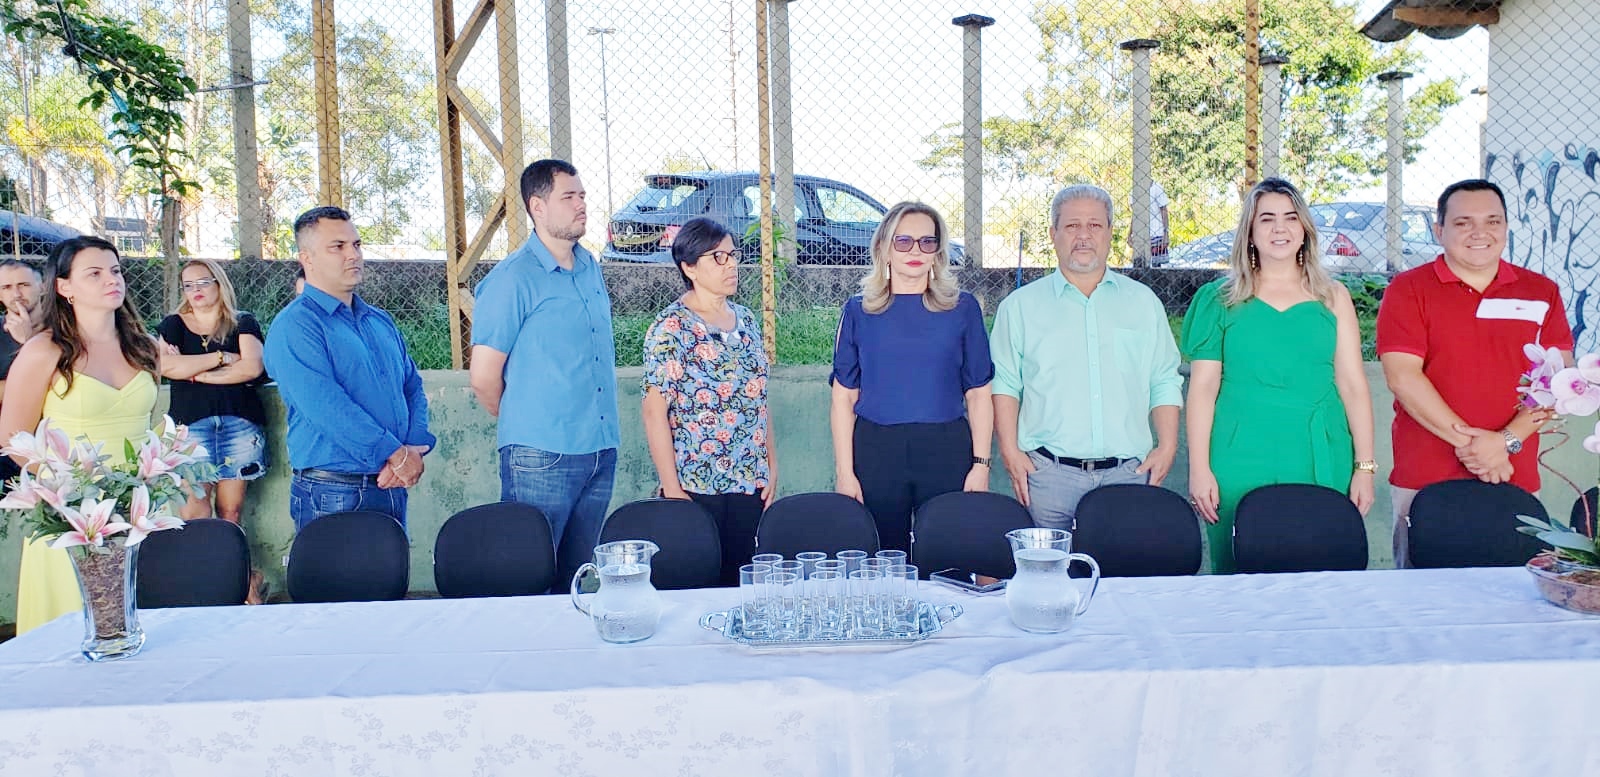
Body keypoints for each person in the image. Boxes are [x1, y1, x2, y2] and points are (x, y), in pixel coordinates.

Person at [1182, 178, 1377, 573]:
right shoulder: (1220, 299)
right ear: (1249, 233)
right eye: (1266, 218)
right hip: (1239, 453)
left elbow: (1353, 385)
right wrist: (1199, 468)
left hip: (1318, 449)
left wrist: (1365, 467)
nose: (1280, 228)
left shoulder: (1333, 297)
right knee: (1240, 564)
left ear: (1305, 228)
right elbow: (1202, 388)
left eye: (1290, 217)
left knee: (1318, 561)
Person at [1377, 179, 1570, 567]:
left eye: (1492, 221)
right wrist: (1480, 447)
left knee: (1515, 598)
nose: (1480, 232)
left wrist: (1506, 442)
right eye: (1464, 222)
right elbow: (1403, 377)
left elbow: (1558, 379)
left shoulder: (1541, 291)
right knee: (1421, 601)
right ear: (1439, 231)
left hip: (1512, 472)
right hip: (1425, 476)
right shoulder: (1408, 289)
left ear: (1505, 227)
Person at [990, 184, 1183, 529]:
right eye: (1072, 226)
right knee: (1049, 579)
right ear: (1053, 234)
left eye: (1094, 225)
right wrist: (1009, 451)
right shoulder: (1019, 307)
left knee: (1125, 581)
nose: (1083, 236)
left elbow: (1164, 377)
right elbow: (1005, 382)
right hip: (1047, 476)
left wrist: (1167, 445)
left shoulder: (1143, 303)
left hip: (1128, 474)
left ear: (1110, 233)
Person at [0, 236, 161, 634]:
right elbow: (13, 438)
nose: (112, 280)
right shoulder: (43, 351)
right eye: (95, 273)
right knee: (79, 625)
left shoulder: (143, 347)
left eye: (116, 270)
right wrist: (71, 491)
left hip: (141, 505)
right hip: (75, 512)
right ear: (64, 287)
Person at [470, 159, 617, 586]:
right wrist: (526, 418)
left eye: (583, 196)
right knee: (528, 576)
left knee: (577, 580)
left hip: (599, 449)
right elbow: (483, 376)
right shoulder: (513, 278)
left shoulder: (590, 267)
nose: (581, 205)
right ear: (537, 206)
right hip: (540, 455)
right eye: (568, 197)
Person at [830, 201, 993, 553]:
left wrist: (981, 464)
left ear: (938, 251)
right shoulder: (858, 310)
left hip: (945, 447)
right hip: (877, 450)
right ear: (884, 248)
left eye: (926, 242)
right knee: (885, 559)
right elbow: (843, 398)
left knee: (950, 555)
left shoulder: (962, 309)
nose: (915, 251)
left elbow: (979, 393)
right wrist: (845, 472)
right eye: (903, 241)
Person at [264, 206, 434, 532]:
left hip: (390, 482)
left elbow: (411, 385)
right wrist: (396, 455)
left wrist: (412, 446)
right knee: (340, 584)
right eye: (337, 247)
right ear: (307, 258)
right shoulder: (296, 326)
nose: (352, 255)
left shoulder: (378, 320)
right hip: (334, 490)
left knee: (387, 581)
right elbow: (326, 407)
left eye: (356, 245)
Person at [641, 217, 777, 584]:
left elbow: (759, 400)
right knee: (696, 583)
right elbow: (655, 412)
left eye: (732, 255)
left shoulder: (746, 320)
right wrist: (672, 487)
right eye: (718, 257)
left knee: (741, 583)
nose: (731, 264)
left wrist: (771, 464)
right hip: (696, 484)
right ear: (689, 267)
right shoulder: (673, 327)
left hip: (749, 481)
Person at [156, 259, 268, 522]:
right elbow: (167, 366)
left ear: (219, 284)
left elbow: (251, 367)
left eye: (204, 282)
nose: (196, 290)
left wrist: (193, 373)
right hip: (190, 427)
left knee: (231, 511)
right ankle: (201, 563)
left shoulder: (243, 322)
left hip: (238, 423)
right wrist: (223, 358)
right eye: (188, 285)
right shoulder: (173, 324)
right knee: (194, 510)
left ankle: (230, 563)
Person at [0, 259, 45, 484]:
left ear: (42, 286)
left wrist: (28, 341)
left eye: (24, 285)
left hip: (51, 445)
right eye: (6, 287)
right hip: (6, 446)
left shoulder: (63, 331)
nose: (16, 293)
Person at [1148, 181, 1171, 260]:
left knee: (1157, 268)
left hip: (1157, 235)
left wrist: (1166, 234)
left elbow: (1164, 211)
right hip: (1141, 236)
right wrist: (1129, 234)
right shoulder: (1134, 191)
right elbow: (1135, 214)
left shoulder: (1156, 188)